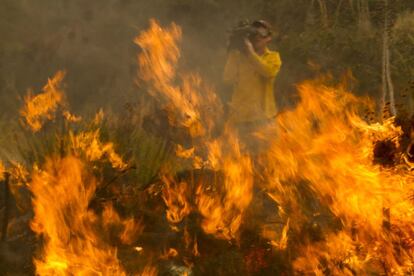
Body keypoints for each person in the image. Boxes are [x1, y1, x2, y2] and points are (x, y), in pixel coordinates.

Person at [223, 20, 282, 154]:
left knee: (267, 158)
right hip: (241, 118)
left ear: (268, 38)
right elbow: (227, 78)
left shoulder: (273, 57)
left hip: (264, 118)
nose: (256, 39)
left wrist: (250, 54)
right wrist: (232, 51)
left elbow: (267, 72)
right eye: (253, 35)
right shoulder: (238, 56)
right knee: (241, 160)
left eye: (259, 35)